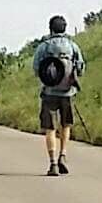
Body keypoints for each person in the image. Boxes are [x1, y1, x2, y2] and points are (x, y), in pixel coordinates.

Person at [32, 15, 85, 175]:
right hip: (68, 92)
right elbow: (81, 67)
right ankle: (63, 154)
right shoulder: (72, 46)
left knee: (49, 128)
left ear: (51, 28)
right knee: (65, 125)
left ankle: (53, 162)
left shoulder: (44, 47)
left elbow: (36, 68)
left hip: (49, 91)